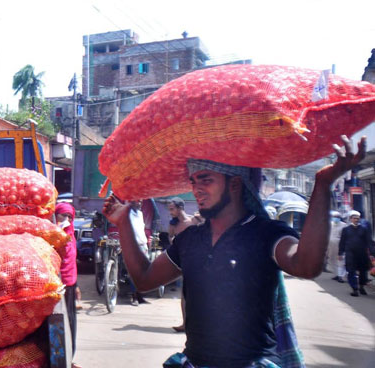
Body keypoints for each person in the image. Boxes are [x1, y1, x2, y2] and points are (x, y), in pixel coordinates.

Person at [103, 135, 365, 367]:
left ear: (235, 185)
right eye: (193, 181)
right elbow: (144, 280)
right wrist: (124, 222)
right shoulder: (190, 239)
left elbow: (306, 266)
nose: (196, 189)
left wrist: (322, 184)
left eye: (206, 180)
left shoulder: (266, 234)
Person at [167, 197, 204, 333]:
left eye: (172, 209)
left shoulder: (194, 220)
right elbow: (170, 237)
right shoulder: (173, 225)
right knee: (185, 293)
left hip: (200, 260)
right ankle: (185, 323)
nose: (170, 212)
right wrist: (175, 243)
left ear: (180, 208)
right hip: (184, 260)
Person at [55, 202, 80, 366]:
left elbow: (72, 262)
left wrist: (77, 285)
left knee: (71, 323)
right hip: (55, 286)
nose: (66, 219)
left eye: (69, 217)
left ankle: (70, 358)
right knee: (57, 324)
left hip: (70, 285)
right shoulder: (52, 235)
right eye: (62, 215)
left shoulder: (71, 235)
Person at [338, 210, 374, 296]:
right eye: (354, 218)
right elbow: (342, 242)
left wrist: (372, 253)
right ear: (350, 219)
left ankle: (361, 286)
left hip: (362, 254)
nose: (356, 220)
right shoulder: (346, 230)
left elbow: (369, 241)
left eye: (357, 218)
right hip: (350, 253)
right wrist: (340, 253)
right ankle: (354, 289)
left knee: (363, 271)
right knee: (351, 271)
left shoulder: (364, 229)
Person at [127, 200, 150, 306]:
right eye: (137, 202)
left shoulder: (140, 214)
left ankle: (140, 296)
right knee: (134, 272)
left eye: (141, 202)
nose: (140, 203)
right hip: (133, 245)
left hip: (143, 244)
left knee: (144, 271)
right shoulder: (127, 213)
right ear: (132, 202)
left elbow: (141, 229)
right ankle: (134, 297)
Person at [327, 211, 347, 283]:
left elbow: (345, 236)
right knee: (331, 259)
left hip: (339, 245)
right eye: (334, 217)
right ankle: (336, 274)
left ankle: (341, 276)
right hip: (330, 245)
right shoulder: (330, 224)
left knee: (340, 260)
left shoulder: (344, 225)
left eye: (337, 217)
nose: (336, 218)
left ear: (340, 218)